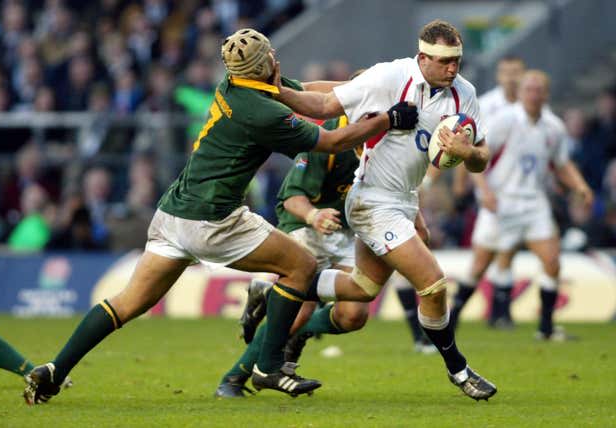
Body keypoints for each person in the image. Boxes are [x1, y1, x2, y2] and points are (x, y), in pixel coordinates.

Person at [22, 28, 415, 405]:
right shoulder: (264, 113)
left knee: (127, 303)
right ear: (265, 65)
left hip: (173, 212)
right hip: (213, 220)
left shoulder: (235, 86)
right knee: (301, 265)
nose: (276, 58)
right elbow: (331, 140)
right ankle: (268, 366)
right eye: (271, 55)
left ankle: (55, 369)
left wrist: (364, 92)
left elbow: (309, 92)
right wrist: (388, 119)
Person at [272, 20, 496, 400]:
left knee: (361, 290)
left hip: (405, 200)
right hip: (372, 200)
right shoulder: (389, 77)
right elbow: (326, 102)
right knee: (434, 283)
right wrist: (276, 91)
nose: (453, 69)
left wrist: (468, 153)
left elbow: (482, 157)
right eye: (444, 62)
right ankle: (459, 370)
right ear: (422, 57)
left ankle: (282, 290)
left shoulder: (464, 93)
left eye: (457, 60)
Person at [215, 115, 435, 397]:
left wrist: (418, 228)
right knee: (296, 312)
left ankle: (276, 300)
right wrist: (314, 215)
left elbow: (397, 192)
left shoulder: (389, 146)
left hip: (346, 232)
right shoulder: (327, 140)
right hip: (307, 226)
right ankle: (232, 380)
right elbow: (292, 197)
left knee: (354, 314)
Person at [453, 70, 593, 340]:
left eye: (539, 89)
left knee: (552, 261)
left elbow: (561, 164)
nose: (534, 94)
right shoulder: (504, 121)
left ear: (546, 94)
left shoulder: (553, 127)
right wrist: (484, 191)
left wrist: (580, 186)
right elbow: (476, 156)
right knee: (479, 267)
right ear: (520, 93)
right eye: (529, 89)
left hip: (533, 204)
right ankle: (449, 323)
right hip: (500, 203)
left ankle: (546, 328)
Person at [450, 56, 526, 328]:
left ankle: (500, 314)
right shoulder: (487, 105)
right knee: (483, 259)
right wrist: (463, 184)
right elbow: (468, 145)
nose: (511, 77)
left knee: (508, 251)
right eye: (506, 72)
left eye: (516, 71)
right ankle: (456, 313)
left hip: (522, 193)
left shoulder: (530, 106)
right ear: (498, 75)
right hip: (492, 191)